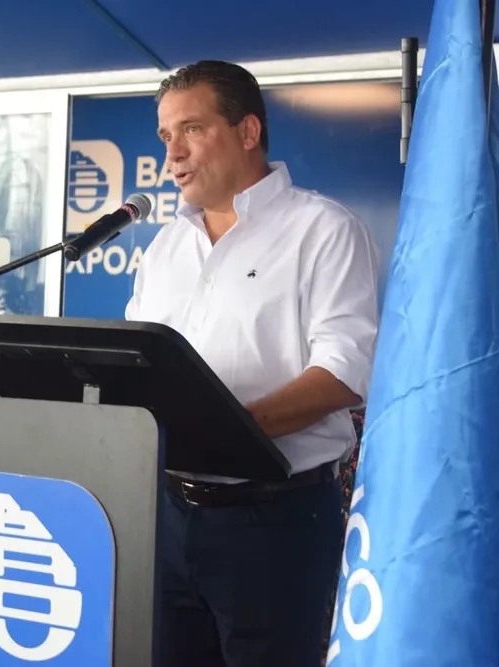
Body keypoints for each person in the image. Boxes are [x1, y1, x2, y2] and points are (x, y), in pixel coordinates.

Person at [125, 60, 380, 666]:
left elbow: (346, 369)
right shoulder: (164, 248)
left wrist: (232, 429)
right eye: (165, 137)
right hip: (165, 514)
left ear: (247, 131)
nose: (173, 154)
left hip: (275, 520)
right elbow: (140, 363)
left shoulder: (323, 230)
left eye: (192, 129)